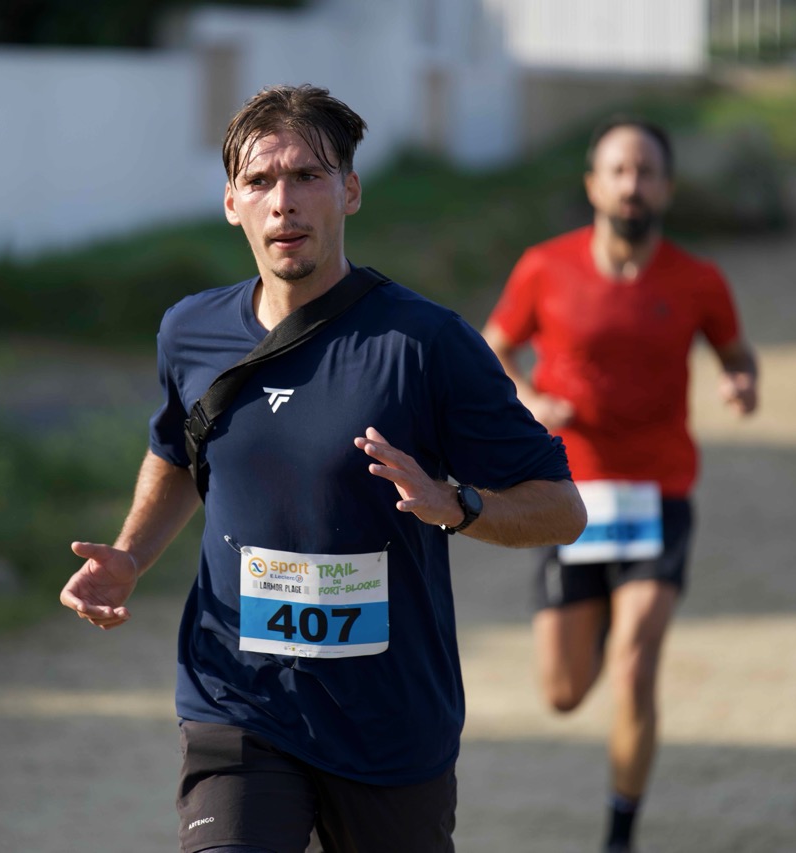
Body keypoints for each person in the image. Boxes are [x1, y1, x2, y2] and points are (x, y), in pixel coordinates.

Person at [60, 84, 586, 853]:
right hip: (237, 699)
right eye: (260, 181)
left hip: (389, 721)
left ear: (351, 191)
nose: (284, 202)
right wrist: (131, 555)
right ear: (232, 203)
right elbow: (176, 453)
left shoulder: (425, 344)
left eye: (308, 175)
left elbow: (562, 508)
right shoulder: (191, 331)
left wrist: (456, 505)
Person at [482, 116, 760, 853]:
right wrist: (528, 397)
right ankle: (606, 612)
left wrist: (741, 380)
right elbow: (493, 347)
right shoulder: (545, 266)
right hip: (568, 497)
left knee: (636, 665)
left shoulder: (699, 280)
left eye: (646, 172)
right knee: (564, 692)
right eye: (619, 170)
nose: (632, 184)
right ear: (593, 184)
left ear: (667, 187)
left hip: (658, 493)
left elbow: (737, 352)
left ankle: (619, 837)